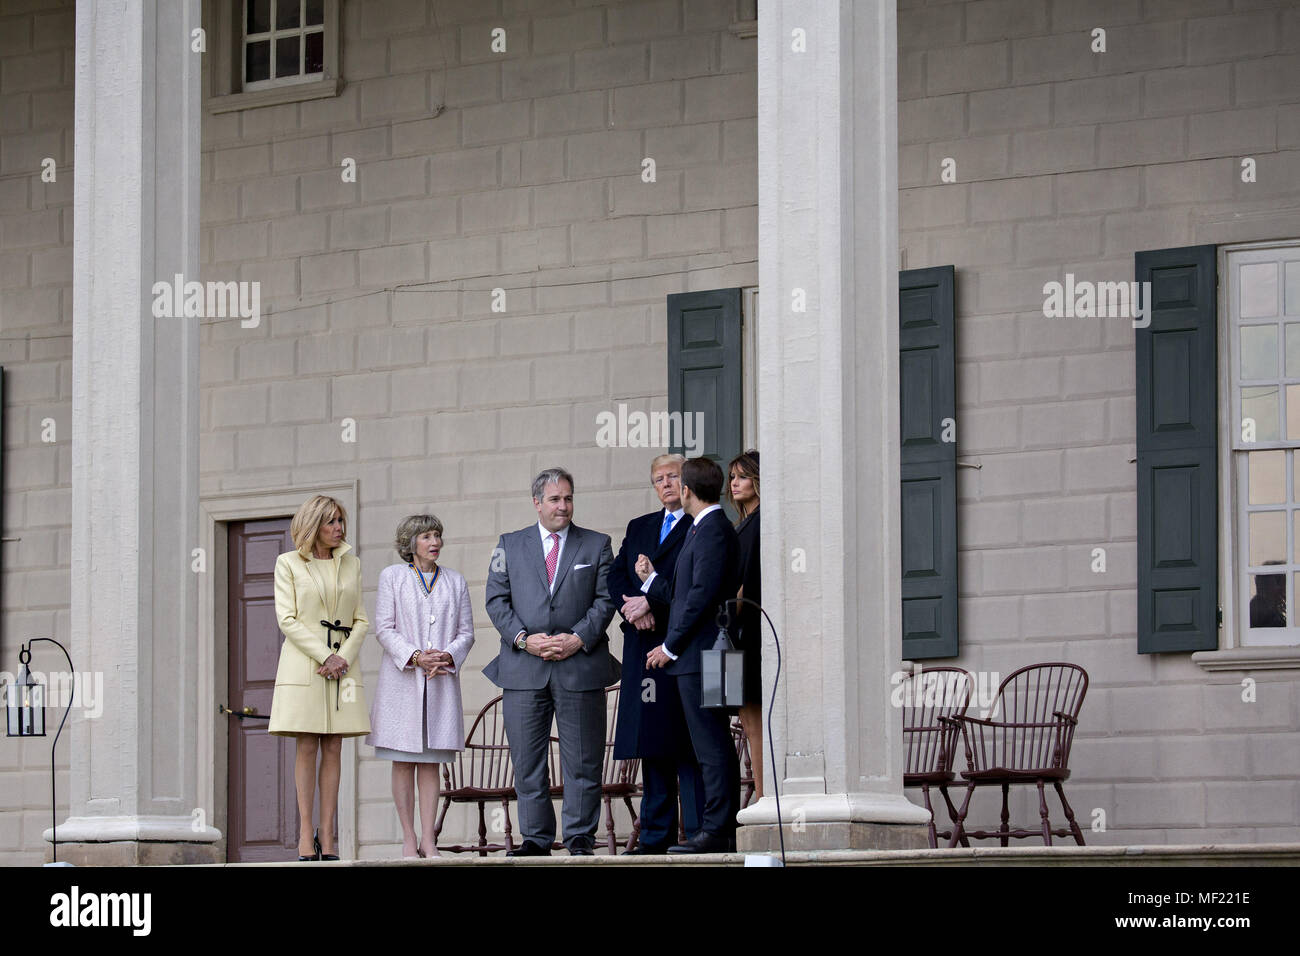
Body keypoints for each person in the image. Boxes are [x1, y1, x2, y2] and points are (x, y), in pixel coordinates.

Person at [483, 468, 618, 856]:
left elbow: (606, 599)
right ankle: (537, 840)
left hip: (580, 665)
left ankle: (579, 838)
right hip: (524, 669)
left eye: (568, 498)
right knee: (527, 762)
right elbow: (496, 599)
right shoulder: (508, 544)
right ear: (537, 503)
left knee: (584, 760)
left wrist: (578, 637)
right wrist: (524, 639)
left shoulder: (596, 544)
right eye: (555, 499)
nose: (563, 506)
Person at [639, 457, 741, 853]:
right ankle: (717, 826)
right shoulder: (704, 528)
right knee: (709, 743)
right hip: (702, 654)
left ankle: (718, 828)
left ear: (686, 491)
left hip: (708, 655)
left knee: (712, 744)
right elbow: (685, 593)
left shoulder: (713, 529)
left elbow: (701, 597)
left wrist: (669, 645)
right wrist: (651, 581)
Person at [608, 454, 705, 854]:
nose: (667, 484)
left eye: (674, 477)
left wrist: (653, 604)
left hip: (680, 644)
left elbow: (696, 582)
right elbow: (616, 575)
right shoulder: (640, 526)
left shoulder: (701, 525)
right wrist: (632, 607)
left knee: (687, 741)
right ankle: (654, 836)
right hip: (643, 647)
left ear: (688, 482)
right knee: (652, 741)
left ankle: (700, 832)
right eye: (659, 479)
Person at [366, 514, 475, 858]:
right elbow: (384, 628)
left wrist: (446, 655)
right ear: (411, 542)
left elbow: (466, 633)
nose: (435, 543)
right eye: (428, 536)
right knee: (403, 760)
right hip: (403, 683)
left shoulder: (455, 581)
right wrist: (415, 656)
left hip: (439, 681)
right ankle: (408, 838)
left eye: (438, 536)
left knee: (430, 763)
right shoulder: (393, 577)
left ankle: (429, 839)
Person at [270, 495, 370, 861]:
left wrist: (341, 658)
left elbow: (361, 619)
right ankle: (303, 834)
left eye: (341, 521)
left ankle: (328, 837)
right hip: (305, 665)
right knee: (307, 745)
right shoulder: (288, 564)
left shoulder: (352, 563)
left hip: (342, 667)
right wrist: (324, 655)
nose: (338, 528)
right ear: (313, 525)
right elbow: (288, 619)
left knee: (335, 746)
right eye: (331, 522)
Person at [728, 449, 763, 798]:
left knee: (755, 721)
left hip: (751, 629)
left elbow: (745, 583)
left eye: (742, 476)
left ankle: (765, 795)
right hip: (745, 630)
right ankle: (762, 793)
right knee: (749, 720)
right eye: (732, 477)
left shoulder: (759, 523)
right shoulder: (744, 524)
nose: (734, 483)